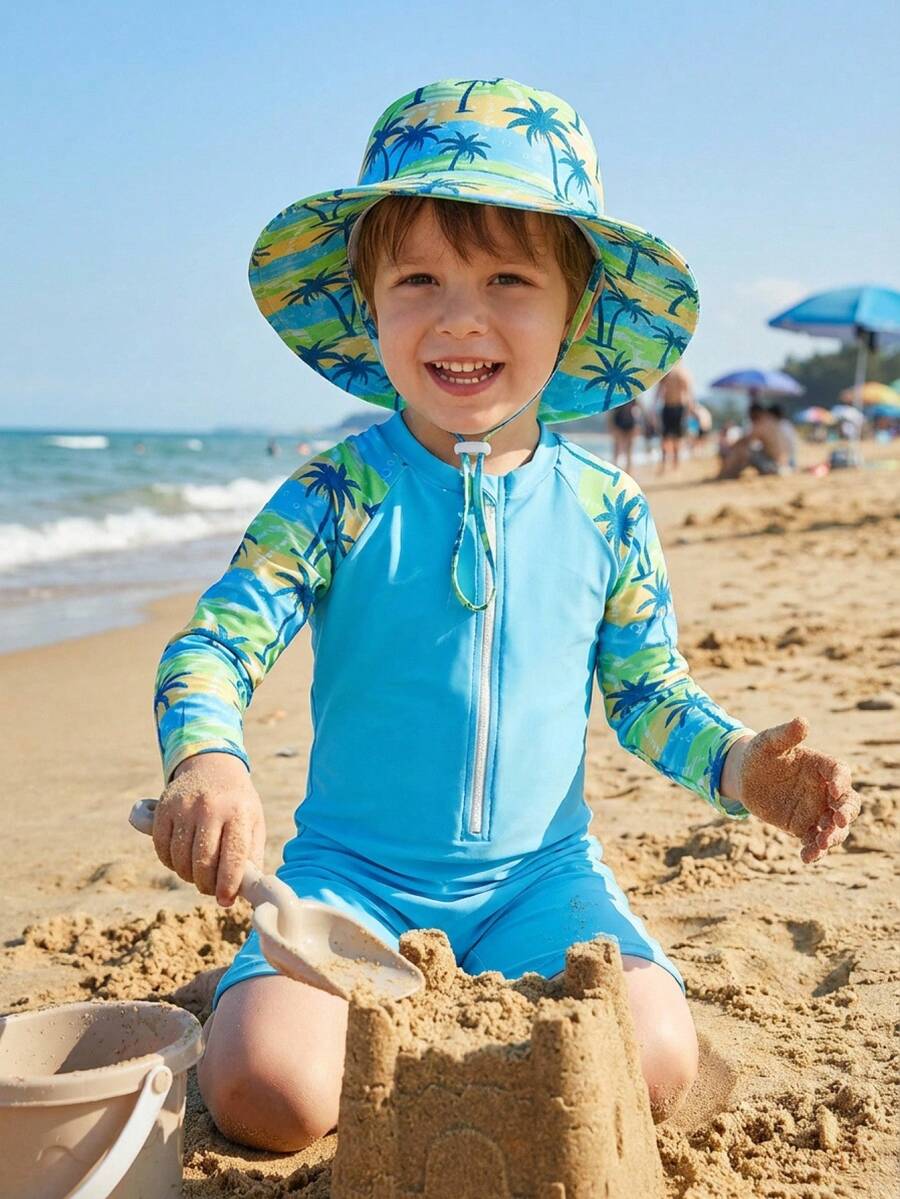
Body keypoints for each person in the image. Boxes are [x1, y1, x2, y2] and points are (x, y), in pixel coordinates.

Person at [151, 78, 860, 1151]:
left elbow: (649, 697)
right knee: (270, 1093)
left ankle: (335, 997)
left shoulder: (607, 508)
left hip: (541, 880)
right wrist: (208, 756)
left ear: (575, 311)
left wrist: (740, 767)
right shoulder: (337, 493)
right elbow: (217, 642)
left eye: (508, 280)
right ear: (370, 303)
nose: (459, 316)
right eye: (418, 279)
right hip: (349, 881)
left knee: (654, 1060)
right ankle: (251, 997)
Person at [718, 401, 793, 479]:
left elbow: (745, 441)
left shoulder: (762, 423)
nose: (750, 419)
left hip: (774, 463)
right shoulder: (772, 420)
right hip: (785, 461)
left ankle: (728, 473)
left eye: (750, 416)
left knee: (744, 450)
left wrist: (730, 448)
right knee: (750, 449)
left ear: (755, 413)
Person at [656, 363, 694, 473]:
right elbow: (659, 390)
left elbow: (688, 393)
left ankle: (675, 465)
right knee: (665, 438)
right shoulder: (667, 371)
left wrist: (688, 410)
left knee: (677, 438)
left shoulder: (682, 373)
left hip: (678, 408)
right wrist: (654, 406)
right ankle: (665, 464)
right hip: (667, 407)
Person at [608, 397, 639, 471]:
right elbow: (611, 412)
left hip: (629, 423)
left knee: (628, 449)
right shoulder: (618, 397)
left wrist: (638, 425)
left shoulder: (631, 397)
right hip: (619, 422)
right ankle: (615, 467)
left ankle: (628, 469)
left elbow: (638, 410)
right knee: (617, 448)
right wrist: (611, 425)